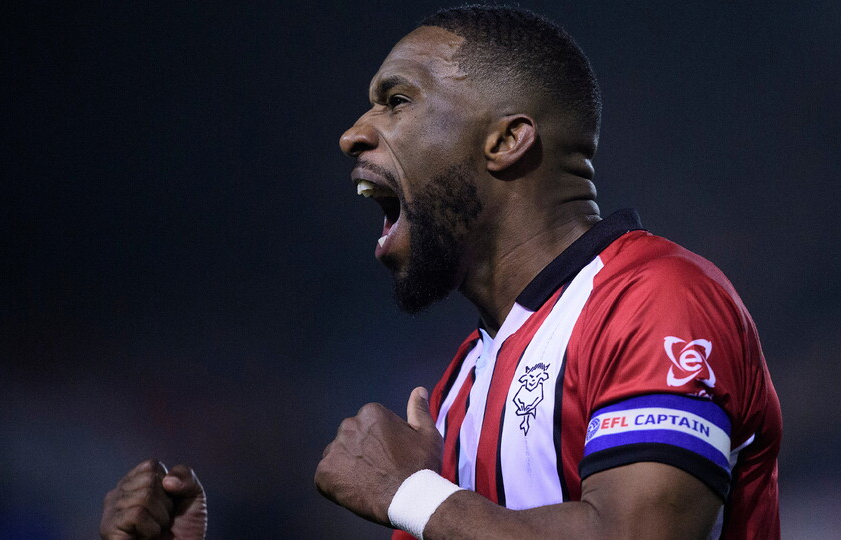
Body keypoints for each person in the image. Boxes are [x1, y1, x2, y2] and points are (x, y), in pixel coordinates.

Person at [100, 5, 781, 539]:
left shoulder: (655, 299)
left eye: (396, 100)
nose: (354, 133)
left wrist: (410, 494)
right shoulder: (458, 393)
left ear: (507, 139)